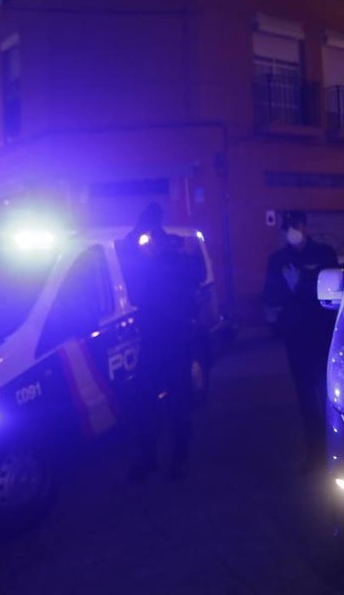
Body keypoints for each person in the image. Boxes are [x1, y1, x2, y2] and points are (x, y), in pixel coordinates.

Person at [119, 202, 203, 482]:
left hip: (177, 338)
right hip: (153, 339)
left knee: (178, 400)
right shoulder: (144, 259)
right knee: (143, 399)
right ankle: (148, 457)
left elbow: (196, 277)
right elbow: (126, 247)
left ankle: (181, 457)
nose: (147, 240)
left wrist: (185, 254)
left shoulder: (174, 255)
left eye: (150, 234)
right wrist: (141, 232)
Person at [262, 210, 339, 471]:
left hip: (321, 333)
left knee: (330, 395)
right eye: (287, 227)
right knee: (306, 399)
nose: (291, 231)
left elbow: (330, 289)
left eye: (295, 225)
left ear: (305, 227)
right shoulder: (278, 259)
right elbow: (271, 293)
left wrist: (301, 285)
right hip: (296, 336)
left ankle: (337, 451)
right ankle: (315, 454)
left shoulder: (323, 253)